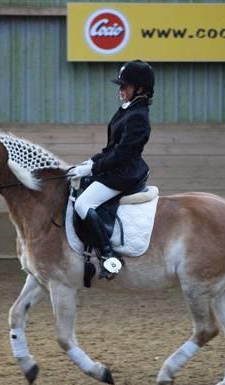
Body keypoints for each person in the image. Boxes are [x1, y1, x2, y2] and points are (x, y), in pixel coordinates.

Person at [71, 59, 154, 279]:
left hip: (125, 173)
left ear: (141, 88)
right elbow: (111, 148)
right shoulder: (126, 111)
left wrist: (94, 168)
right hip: (116, 168)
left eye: (125, 85)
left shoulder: (138, 117)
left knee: (83, 203)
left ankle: (108, 257)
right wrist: (90, 162)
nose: (121, 89)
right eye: (120, 85)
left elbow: (122, 154)